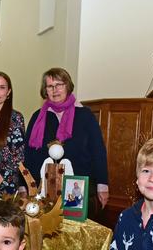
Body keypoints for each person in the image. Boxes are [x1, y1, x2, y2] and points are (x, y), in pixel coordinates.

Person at [24, 68, 109, 218]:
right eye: (50, 86)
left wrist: (102, 185)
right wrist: (23, 185)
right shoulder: (38, 117)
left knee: (74, 232)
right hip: (44, 189)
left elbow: (98, 151)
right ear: (45, 90)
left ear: (68, 86)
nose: (55, 90)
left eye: (59, 84)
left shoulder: (85, 115)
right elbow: (28, 154)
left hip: (78, 187)